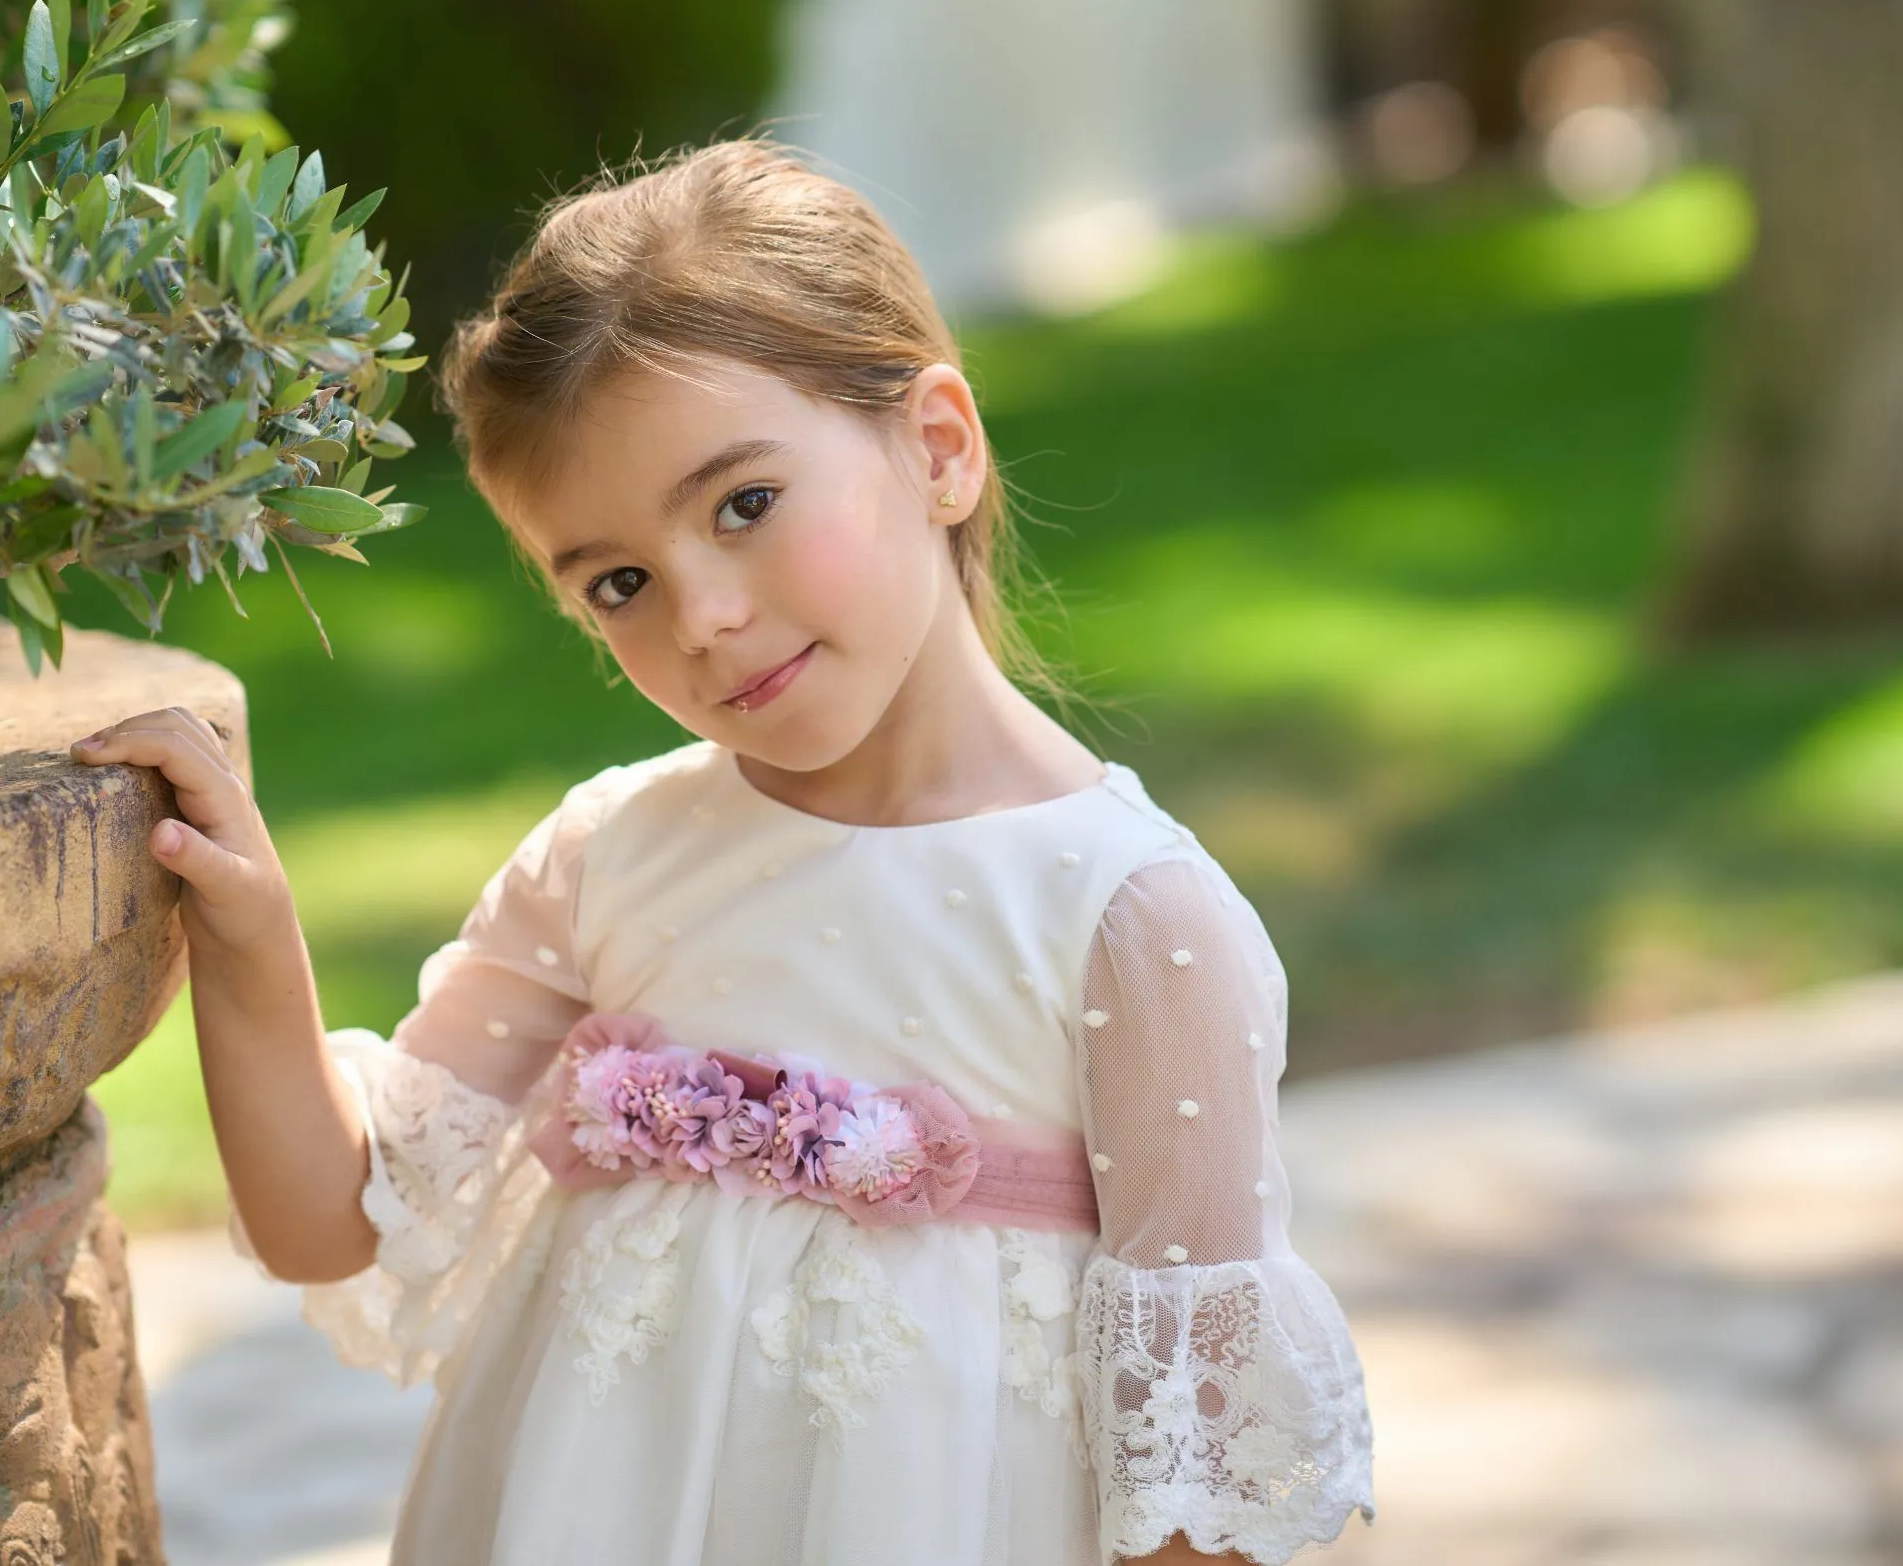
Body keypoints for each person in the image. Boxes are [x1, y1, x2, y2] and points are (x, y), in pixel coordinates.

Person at [72, 140, 1373, 1565]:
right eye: (617, 581)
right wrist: (252, 943)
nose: (699, 615)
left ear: (937, 447)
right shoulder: (610, 859)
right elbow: (333, 1217)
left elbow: (1199, 1492)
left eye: (744, 504)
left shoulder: (1129, 917)